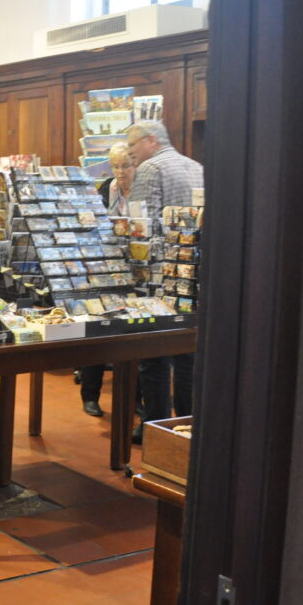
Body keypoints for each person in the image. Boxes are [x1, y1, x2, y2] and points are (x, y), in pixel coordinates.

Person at [127, 120, 203, 441]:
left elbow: (139, 226)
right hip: (191, 276)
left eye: (133, 147)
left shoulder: (150, 169)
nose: (131, 155)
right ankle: (185, 429)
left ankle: (154, 429)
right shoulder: (196, 167)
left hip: (157, 279)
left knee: (154, 359)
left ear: (151, 140)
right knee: (187, 357)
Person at [78, 142, 135, 416]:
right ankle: (90, 395)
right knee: (98, 330)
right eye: (116, 166)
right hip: (103, 268)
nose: (120, 172)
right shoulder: (104, 190)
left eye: (126, 165)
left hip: (134, 269)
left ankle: (134, 399)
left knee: (133, 335)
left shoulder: (142, 190)